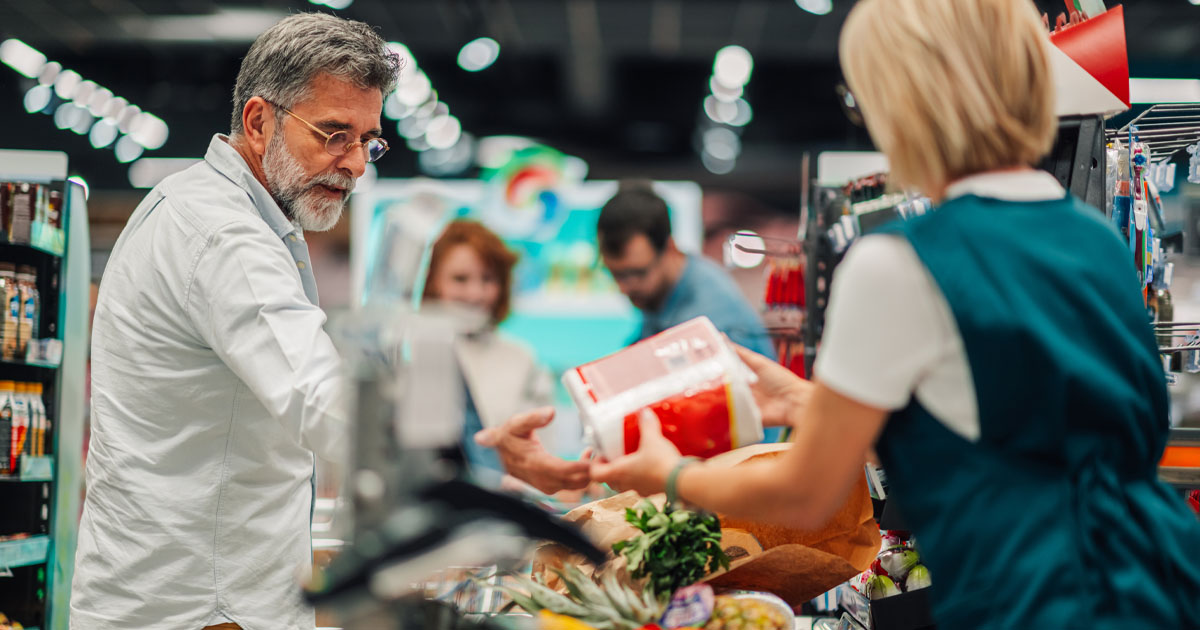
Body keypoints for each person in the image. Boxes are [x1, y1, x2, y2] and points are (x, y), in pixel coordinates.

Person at [589, 1, 1200, 628]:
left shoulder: (901, 263)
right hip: (1158, 585)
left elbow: (807, 492)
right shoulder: (1091, 239)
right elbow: (1017, 428)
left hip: (1026, 603)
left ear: (907, 104)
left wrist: (673, 475)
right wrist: (808, 403)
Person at [72, 14, 399, 630]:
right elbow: (319, 396)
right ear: (258, 122)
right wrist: (451, 470)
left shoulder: (208, 208)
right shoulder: (223, 235)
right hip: (203, 607)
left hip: (189, 592)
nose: (356, 164)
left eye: (368, 140)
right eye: (334, 135)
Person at [423, 220, 554, 482]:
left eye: (487, 279)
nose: (475, 293)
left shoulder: (522, 359)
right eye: (460, 279)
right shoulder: (411, 352)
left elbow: (545, 460)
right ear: (433, 280)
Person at [597, 183, 775, 359]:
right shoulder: (658, 291)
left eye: (637, 274)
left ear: (670, 248)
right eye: (615, 274)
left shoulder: (708, 321)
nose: (624, 288)